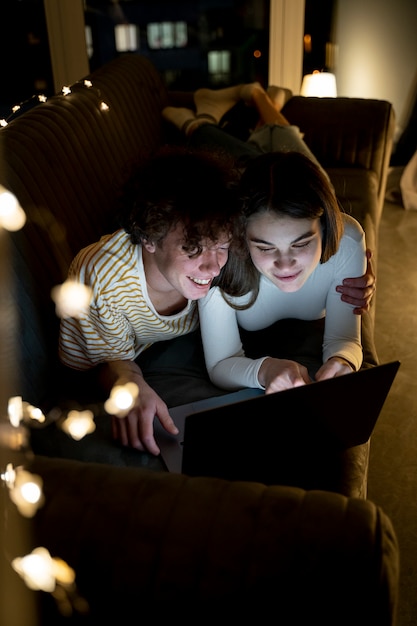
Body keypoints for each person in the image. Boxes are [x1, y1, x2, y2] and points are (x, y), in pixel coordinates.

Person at [59, 91, 374, 456]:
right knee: (259, 138)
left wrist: (356, 276)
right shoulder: (109, 278)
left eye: (222, 246)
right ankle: (209, 116)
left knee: (286, 146)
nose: (212, 270)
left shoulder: (233, 244)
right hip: (236, 187)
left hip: (261, 178)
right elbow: (102, 364)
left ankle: (247, 105)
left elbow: (332, 249)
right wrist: (130, 382)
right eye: (193, 250)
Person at [163, 83, 372, 393]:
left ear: (325, 229)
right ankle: (199, 119)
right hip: (246, 179)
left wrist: (344, 360)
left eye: (301, 243)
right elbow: (220, 364)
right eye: (265, 246)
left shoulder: (347, 239)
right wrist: (264, 370)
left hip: (295, 181)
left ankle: (263, 99)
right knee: (223, 145)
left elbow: (345, 340)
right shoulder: (223, 254)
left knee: (285, 143)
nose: (285, 263)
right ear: (241, 239)